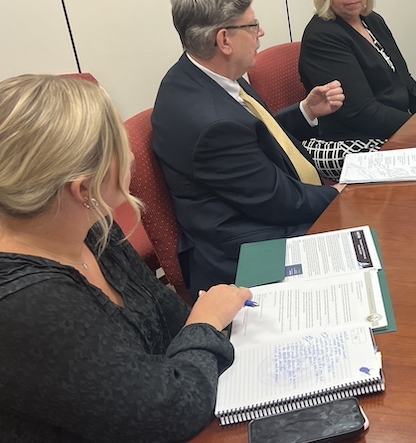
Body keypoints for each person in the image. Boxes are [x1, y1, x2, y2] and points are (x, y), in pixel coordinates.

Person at [0, 74, 252, 442]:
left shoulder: (91, 226)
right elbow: (165, 413)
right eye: (120, 146)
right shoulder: (28, 301)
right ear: (83, 188)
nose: (132, 155)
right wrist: (208, 323)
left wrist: (202, 329)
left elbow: (172, 322)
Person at [152, 0, 345, 293]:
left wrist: (304, 112)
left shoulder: (203, 72)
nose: (261, 33)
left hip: (261, 214)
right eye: (252, 26)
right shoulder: (212, 123)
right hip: (246, 251)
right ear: (224, 40)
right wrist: (339, 195)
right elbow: (277, 200)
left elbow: (252, 141)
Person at [299, 0, 416, 145]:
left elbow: (406, 81)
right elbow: (362, 113)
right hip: (351, 140)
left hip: (393, 127)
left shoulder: (372, 20)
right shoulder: (322, 37)